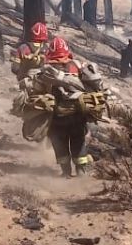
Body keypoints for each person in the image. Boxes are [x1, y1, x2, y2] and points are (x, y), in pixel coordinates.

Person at [43, 37, 104, 177]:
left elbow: (39, 91)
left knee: (59, 142)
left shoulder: (46, 70)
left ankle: (65, 172)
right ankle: (81, 171)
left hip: (57, 118)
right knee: (78, 141)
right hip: (78, 115)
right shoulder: (77, 65)